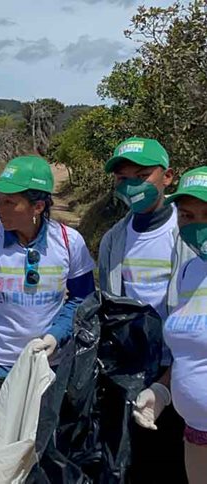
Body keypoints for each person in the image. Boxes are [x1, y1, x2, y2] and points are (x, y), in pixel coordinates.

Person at [0, 156, 96, 423]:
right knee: (7, 448)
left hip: (49, 366)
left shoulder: (69, 242)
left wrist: (57, 334)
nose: (0, 208)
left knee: (44, 449)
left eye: (10, 202)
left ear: (38, 206)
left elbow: (83, 298)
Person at [98, 137, 192, 483]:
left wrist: (165, 386)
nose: (131, 186)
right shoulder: (113, 240)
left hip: (178, 375)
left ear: (167, 177)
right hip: (130, 374)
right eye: (123, 178)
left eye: (141, 175)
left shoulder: (186, 236)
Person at [131, 166, 207, 483]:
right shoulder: (191, 271)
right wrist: (162, 390)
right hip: (196, 432)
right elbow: (190, 350)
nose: (197, 226)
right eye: (188, 216)